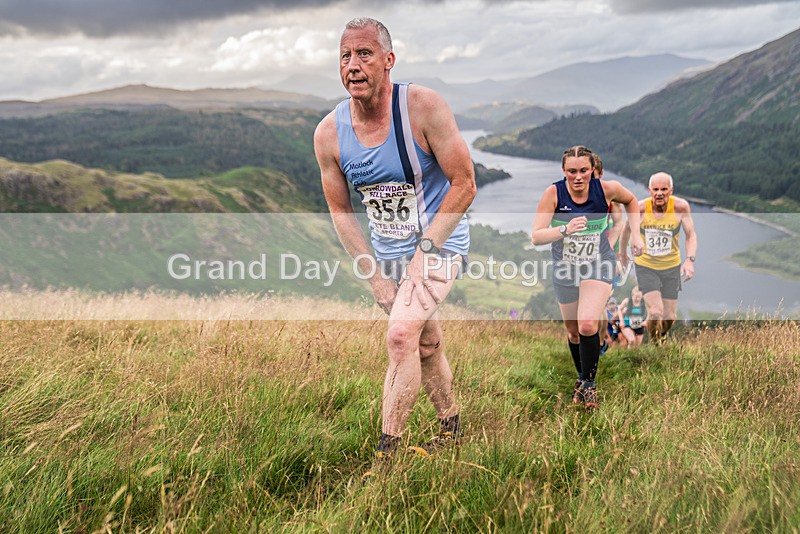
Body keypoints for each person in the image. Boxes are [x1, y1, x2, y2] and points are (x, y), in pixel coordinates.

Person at [313, 18, 476, 463]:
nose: (353, 65)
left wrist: (424, 252)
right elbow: (341, 215)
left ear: (388, 61)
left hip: (440, 243)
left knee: (402, 335)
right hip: (386, 258)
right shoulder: (329, 134)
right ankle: (453, 428)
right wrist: (376, 279)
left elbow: (464, 184)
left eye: (364, 54)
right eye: (345, 56)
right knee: (425, 343)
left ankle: (388, 457)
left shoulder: (422, 107)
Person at [532, 146, 643, 409]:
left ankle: (589, 386)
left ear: (592, 170)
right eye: (572, 171)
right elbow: (536, 236)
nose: (578, 177)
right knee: (572, 332)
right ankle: (581, 378)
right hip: (566, 268)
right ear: (564, 171)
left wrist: (636, 234)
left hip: (599, 263)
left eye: (583, 170)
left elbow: (632, 202)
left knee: (587, 325)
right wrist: (565, 230)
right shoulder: (554, 193)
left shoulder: (606, 189)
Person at [620, 172, 697, 343]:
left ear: (671, 190)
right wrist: (623, 253)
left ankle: (657, 335)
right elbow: (626, 230)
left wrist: (689, 260)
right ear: (649, 190)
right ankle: (655, 346)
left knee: (669, 317)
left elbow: (690, 235)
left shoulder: (680, 207)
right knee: (656, 311)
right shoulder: (640, 208)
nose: (659, 193)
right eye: (655, 189)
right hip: (646, 266)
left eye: (664, 189)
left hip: (671, 266)